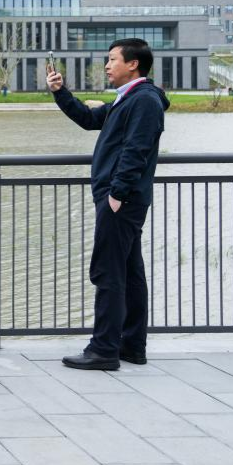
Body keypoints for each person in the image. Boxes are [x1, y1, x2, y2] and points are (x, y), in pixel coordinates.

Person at [49, 39, 168, 370]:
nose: (107, 65)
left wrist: (116, 194)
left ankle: (103, 349)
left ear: (133, 64)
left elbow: (136, 150)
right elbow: (89, 118)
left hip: (121, 200)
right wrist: (60, 92)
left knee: (108, 272)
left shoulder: (144, 100)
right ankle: (131, 345)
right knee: (129, 272)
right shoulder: (128, 99)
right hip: (122, 199)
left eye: (113, 59)